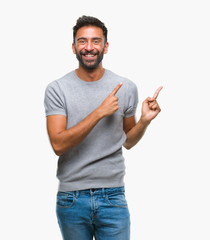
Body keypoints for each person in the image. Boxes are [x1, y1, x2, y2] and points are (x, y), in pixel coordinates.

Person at [44, 15, 162, 240]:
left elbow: (128, 141)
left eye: (96, 41)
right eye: (82, 41)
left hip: (112, 197)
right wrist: (99, 112)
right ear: (73, 47)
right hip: (71, 198)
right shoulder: (57, 89)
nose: (89, 47)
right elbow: (58, 144)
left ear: (105, 47)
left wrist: (145, 120)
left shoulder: (126, 87)